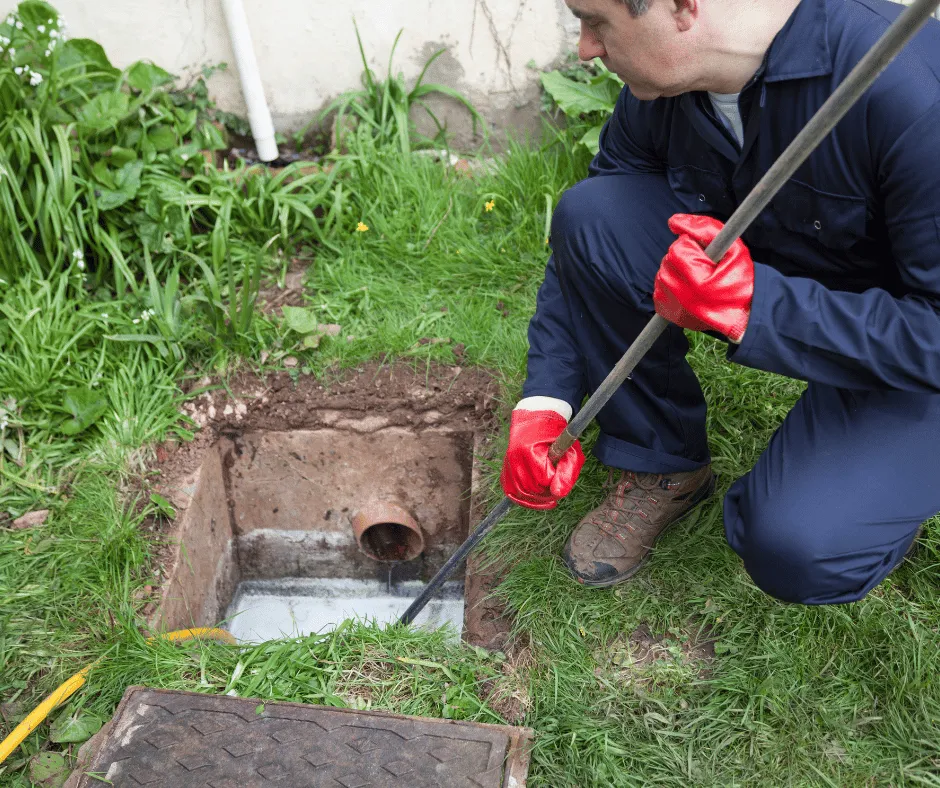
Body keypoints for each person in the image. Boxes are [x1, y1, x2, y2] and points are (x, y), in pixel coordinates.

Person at [500, 0, 940, 605]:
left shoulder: (912, 94)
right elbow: (589, 244)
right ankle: (662, 461)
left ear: (683, 8)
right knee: (594, 213)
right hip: (796, 266)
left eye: (596, 21)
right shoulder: (671, 89)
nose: (585, 48)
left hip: (915, 335)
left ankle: (884, 482)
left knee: (799, 546)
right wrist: (545, 400)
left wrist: (755, 308)